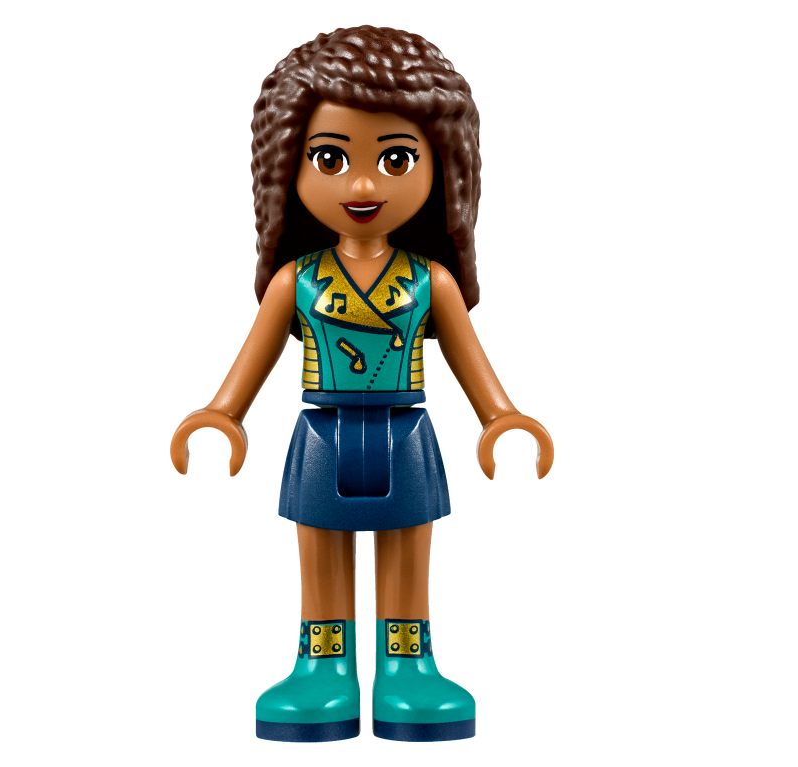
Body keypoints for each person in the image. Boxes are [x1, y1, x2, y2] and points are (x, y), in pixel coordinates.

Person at [170, 26, 553, 743]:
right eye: (331, 158)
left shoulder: (429, 282)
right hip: (322, 432)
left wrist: (500, 417)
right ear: (289, 165)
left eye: (396, 158)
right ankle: (324, 666)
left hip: (407, 432)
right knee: (320, 546)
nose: (365, 185)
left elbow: (471, 361)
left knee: (408, 547)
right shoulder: (298, 281)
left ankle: (408, 667)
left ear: (442, 167)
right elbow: (252, 360)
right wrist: (223, 413)